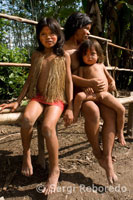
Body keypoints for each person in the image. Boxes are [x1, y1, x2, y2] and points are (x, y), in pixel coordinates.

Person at [0, 17, 73, 195]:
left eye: (52, 33)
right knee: (26, 120)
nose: (48, 37)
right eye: (43, 34)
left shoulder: (64, 56)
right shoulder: (37, 55)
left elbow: (69, 82)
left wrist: (70, 107)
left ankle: (54, 170)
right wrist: (18, 101)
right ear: (38, 36)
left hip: (56, 98)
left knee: (48, 127)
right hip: (39, 97)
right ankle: (26, 153)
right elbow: (29, 80)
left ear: (58, 35)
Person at [64, 12, 118, 184]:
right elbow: (67, 78)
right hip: (79, 94)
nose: (88, 32)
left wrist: (110, 80)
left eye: (89, 29)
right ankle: (97, 152)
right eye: (86, 29)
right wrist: (89, 83)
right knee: (93, 112)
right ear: (75, 27)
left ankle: (107, 158)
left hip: (96, 92)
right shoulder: (64, 50)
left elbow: (99, 66)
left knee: (111, 115)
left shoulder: (85, 47)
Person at [73, 39, 126, 145]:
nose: (89, 57)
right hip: (93, 95)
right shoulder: (82, 68)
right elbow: (79, 82)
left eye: (92, 54)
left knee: (121, 109)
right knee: (79, 96)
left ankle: (120, 132)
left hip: (105, 95)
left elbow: (110, 79)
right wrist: (85, 88)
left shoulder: (101, 65)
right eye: (85, 54)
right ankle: (74, 116)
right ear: (81, 56)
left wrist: (113, 83)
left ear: (98, 54)